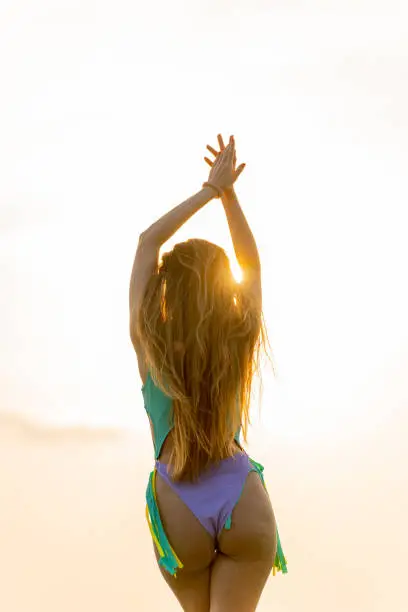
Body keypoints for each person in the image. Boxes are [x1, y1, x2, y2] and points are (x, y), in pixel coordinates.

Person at [129, 134, 287, 612]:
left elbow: (148, 241)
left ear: (166, 290)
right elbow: (252, 267)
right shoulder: (236, 341)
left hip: (178, 500)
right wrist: (230, 198)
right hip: (240, 493)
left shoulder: (149, 344)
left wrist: (208, 191)